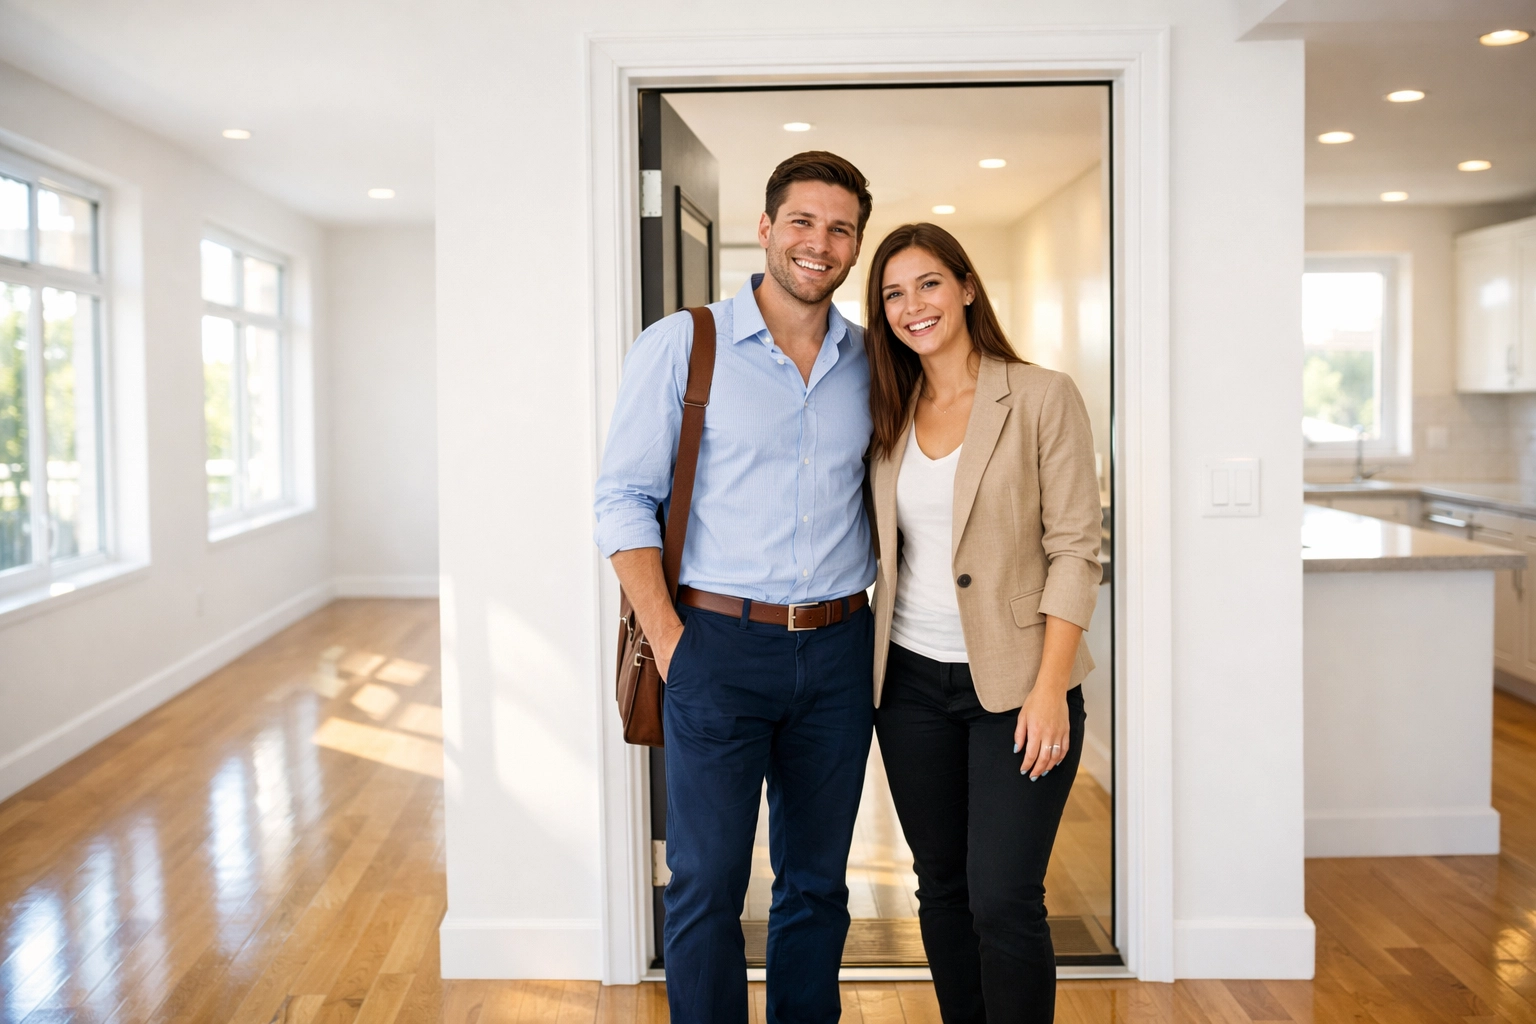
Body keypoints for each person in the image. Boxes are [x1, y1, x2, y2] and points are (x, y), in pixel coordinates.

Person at [593, 151, 877, 1024]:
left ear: (855, 244)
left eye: (839, 229)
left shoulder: (874, 360)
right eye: (802, 221)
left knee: (816, 886)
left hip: (838, 652)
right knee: (707, 881)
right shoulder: (686, 341)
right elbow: (622, 499)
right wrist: (675, 645)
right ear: (765, 228)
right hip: (715, 645)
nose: (818, 243)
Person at [864, 223, 1102, 1024]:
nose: (912, 306)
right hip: (908, 684)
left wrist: (1047, 691)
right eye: (893, 293)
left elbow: (1076, 550)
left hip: (1018, 684)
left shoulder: (1040, 395)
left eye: (928, 283)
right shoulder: (886, 407)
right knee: (944, 887)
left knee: (1004, 896)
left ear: (966, 287)